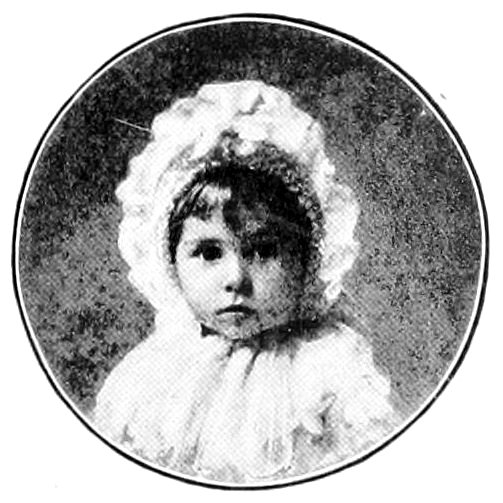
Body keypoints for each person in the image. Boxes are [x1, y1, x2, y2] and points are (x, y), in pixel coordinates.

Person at [93, 81, 400, 484]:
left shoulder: (330, 368)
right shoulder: (151, 374)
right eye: (208, 253)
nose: (236, 278)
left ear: (309, 259)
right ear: (170, 262)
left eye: (264, 250)